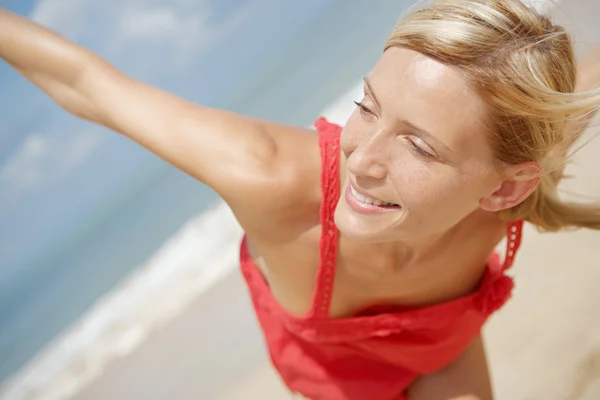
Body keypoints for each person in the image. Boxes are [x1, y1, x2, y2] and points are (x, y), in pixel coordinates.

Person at [2, 0, 600, 399]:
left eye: (419, 147)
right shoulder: (269, 178)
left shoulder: (516, 175)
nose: (361, 160)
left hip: (446, 359)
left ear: (503, 187)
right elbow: (85, 84)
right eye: (367, 106)